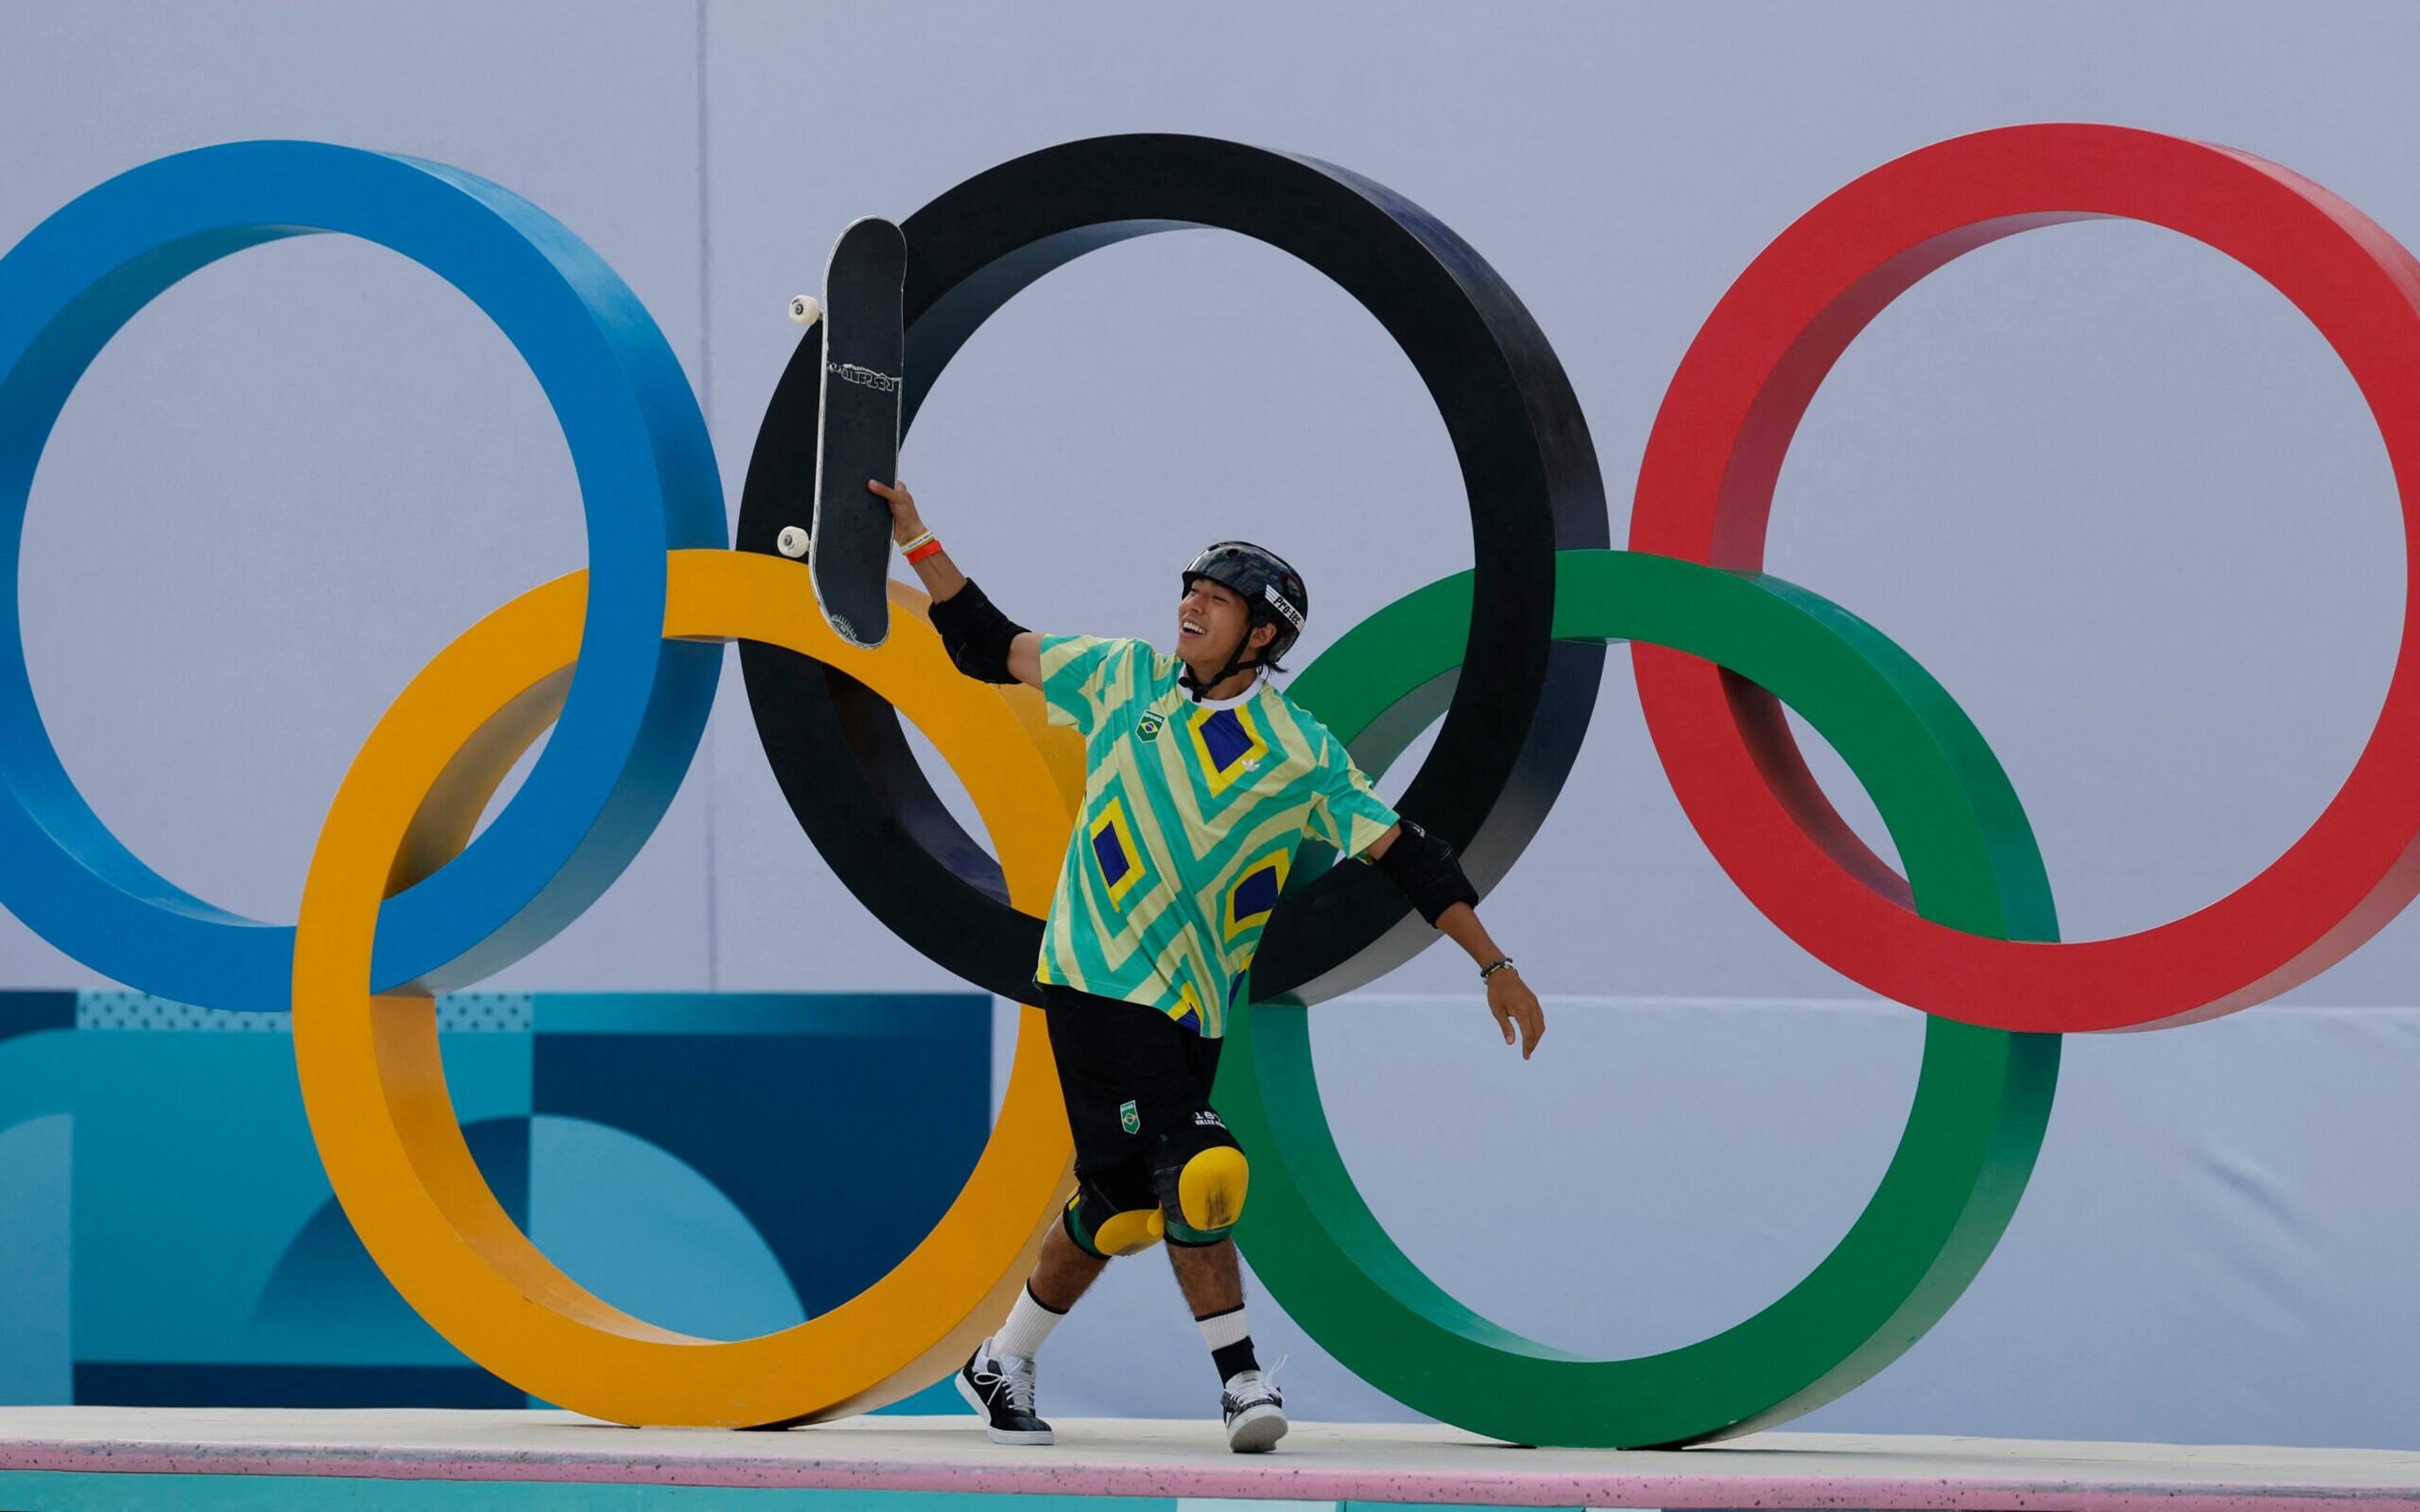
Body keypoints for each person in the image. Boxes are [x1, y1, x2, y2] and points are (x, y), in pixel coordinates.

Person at [868, 479, 1545, 1453]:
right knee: (1202, 1169)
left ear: (1263, 637)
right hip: (1097, 979)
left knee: (1118, 1203)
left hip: (1193, 1010)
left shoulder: (1299, 754)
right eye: (1189, 589)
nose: (1189, 605)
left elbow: (1410, 858)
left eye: (1216, 600)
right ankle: (1240, 1383)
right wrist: (918, 537)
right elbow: (987, 643)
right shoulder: (1123, 678)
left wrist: (1495, 964)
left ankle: (1001, 1358)